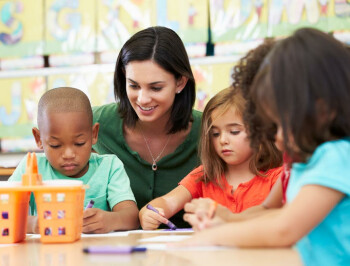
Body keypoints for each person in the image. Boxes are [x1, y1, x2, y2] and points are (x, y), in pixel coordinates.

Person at [179, 28, 350, 265]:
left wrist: (217, 235)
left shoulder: (336, 156)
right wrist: (224, 220)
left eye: (280, 126)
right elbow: (272, 212)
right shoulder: (306, 162)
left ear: (322, 111)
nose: (277, 140)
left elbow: (284, 228)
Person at [92, 26, 201, 228]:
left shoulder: (210, 130)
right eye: (133, 85)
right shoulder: (96, 123)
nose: (142, 99)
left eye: (156, 87)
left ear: (180, 83)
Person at [139, 86, 282, 230]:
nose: (223, 140)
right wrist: (149, 213)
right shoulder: (204, 175)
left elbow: (281, 221)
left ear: (261, 132)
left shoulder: (278, 178)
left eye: (234, 131)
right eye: (215, 134)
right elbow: (167, 202)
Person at [184, 39, 288, 231]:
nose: (272, 134)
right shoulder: (293, 163)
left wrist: (219, 231)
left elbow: (285, 227)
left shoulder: (330, 159)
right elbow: (265, 210)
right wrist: (225, 217)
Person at [8, 87, 139, 234]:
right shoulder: (31, 167)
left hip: (96, 254)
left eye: (79, 143)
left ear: (94, 134)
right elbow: (4, 213)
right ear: (38, 139)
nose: (69, 154)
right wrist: (32, 224)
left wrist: (110, 220)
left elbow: (132, 217)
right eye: (55, 145)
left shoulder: (109, 167)